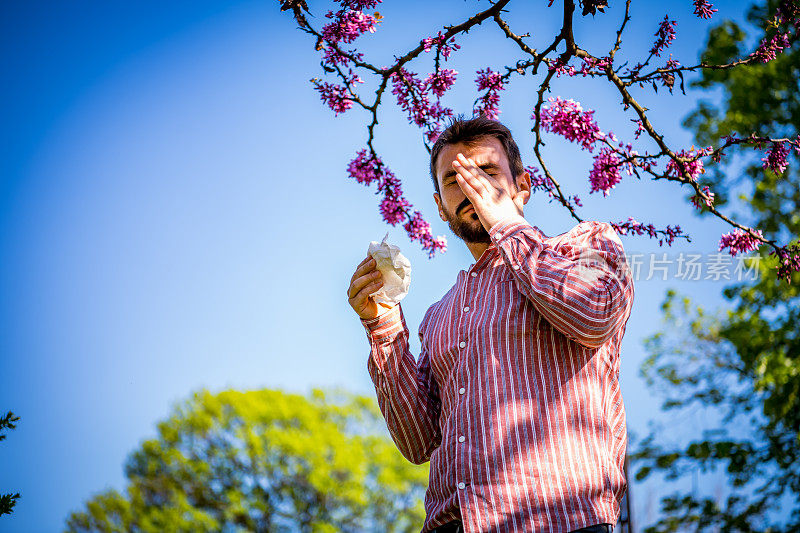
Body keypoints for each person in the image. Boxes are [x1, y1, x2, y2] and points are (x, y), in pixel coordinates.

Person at [347, 116, 635, 533]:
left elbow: (591, 316)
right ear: (440, 207)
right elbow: (417, 440)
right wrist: (382, 323)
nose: (469, 185)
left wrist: (507, 225)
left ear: (523, 185)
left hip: (561, 520)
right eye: (453, 179)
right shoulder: (440, 314)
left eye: (486, 171)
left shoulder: (586, 245)